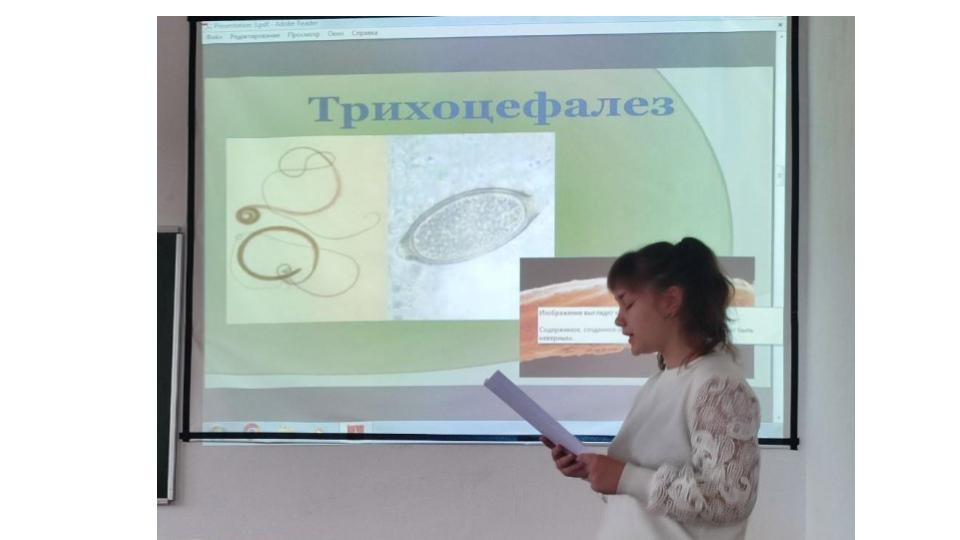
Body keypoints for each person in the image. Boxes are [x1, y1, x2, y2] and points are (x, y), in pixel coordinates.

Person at [541, 237, 761, 540]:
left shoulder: (717, 385)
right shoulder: (659, 383)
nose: (619, 320)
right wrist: (593, 471)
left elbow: (730, 500)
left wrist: (624, 477)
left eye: (628, 304)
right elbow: (645, 500)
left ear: (671, 301)